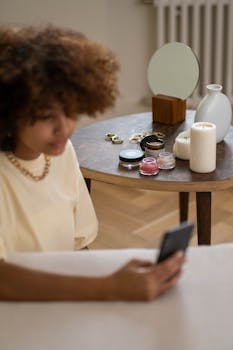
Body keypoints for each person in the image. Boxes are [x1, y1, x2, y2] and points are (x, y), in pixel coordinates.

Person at [0, 25, 185, 301]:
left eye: (70, 111)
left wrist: (116, 281)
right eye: (46, 116)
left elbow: (79, 245)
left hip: (62, 305)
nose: (64, 129)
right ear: (10, 112)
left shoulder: (61, 153)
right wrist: (109, 288)